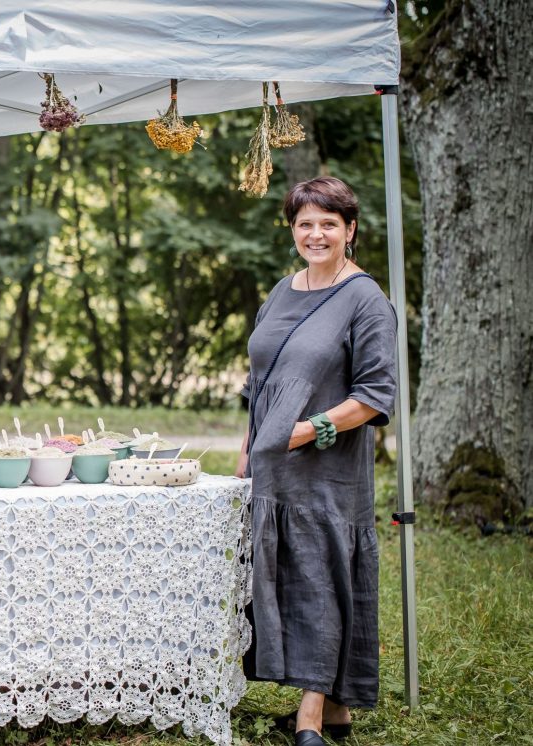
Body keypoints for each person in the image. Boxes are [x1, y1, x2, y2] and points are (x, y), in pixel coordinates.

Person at [235, 177, 397, 746]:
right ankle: (336, 710)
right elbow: (258, 384)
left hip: (328, 470)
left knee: (323, 581)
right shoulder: (282, 291)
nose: (316, 234)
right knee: (290, 580)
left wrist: (306, 431)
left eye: (329, 223)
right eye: (305, 223)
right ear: (293, 231)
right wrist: (249, 453)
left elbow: (375, 395)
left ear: (350, 230)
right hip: (272, 469)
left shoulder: (366, 299)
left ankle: (310, 719)